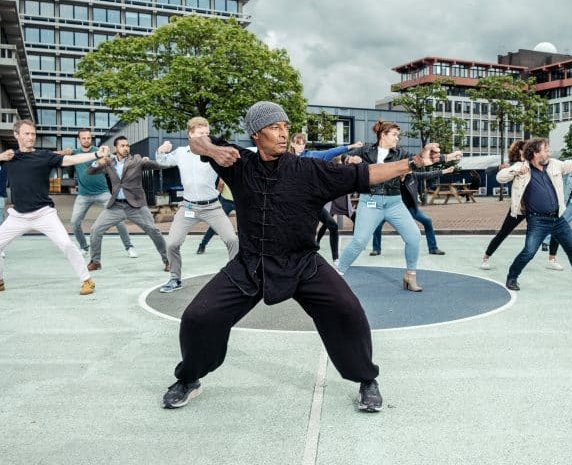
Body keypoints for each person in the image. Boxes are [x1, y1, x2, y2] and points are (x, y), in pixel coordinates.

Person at [161, 101, 441, 413]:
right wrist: (212, 150)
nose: (283, 133)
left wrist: (414, 162)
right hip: (250, 264)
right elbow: (196, 141)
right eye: (274, 128)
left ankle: (366, 379)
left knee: (348, 311)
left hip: (303, 263)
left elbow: (366, 173)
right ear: (255, 134)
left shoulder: (309, 170)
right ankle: (188, 379)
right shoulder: (237, 163)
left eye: (285, 127)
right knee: (198, 317)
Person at [336, 120, 458, 292]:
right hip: (370, 201)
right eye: (394, 134)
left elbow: (420, 160)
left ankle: (410, 276)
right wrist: (349, 158)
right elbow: (339, 159)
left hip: (394, 203)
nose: (397, 138)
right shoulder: (365, 151)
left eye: (398, 135)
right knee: (360, 241)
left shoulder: (400, 153)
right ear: (383, 134)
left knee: (414, 236)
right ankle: (338, 275)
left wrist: (447, 158)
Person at [0, 119, 107, 295]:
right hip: (18, 216)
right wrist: (1, 157)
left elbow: (71, 159)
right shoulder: (10, 157)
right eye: (26, 133)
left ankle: (87, 280)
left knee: (66, 244)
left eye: (33, 134)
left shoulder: (44, 156)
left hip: (43, 214)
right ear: (16, 135)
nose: (31, 137)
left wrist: (95, 155)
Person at [500, 138, 572, 291]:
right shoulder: (522, 167)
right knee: (529, 252)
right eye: (546, 150)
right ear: (536, 153)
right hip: (537, 220)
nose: (549, 152)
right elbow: (501, 177)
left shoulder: (555, 165)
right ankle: (512, 278)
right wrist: (516, 170)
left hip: (558, 219)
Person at [155, 117, 239, 293]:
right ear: (191, 135)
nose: (206, 137)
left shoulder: (213, 154)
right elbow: (162, 162)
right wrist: (161, 150)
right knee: (172, 244)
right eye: (201, 134)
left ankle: (236, 277)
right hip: (188, 207)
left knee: (232, 240)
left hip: (213, 207)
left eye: (207, 134)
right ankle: (175, 279)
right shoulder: (181, 153)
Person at [86, 136, 170, 272]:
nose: (126, 148)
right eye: (122, 146)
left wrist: (162, 153)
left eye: (127, 145)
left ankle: (168, 260)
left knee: (153, 231)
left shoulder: (136, 160)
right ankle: (95, 261)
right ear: (115, 148)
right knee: (96, 229)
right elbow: (89, 171)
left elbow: (158, 165)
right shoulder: (109, 162)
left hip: (136, 206)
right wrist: (98, 162)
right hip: (116, 206)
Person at [289, 132, 363, 263]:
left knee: (333, 226)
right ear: (292, 143)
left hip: (311, 202)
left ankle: (335, 259)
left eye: (303, 143)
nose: (301, 146)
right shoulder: (286, 158)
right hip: (294, 203)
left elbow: (331, 152)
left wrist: (350, 146)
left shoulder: (311, 155)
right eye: (298, 143)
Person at [67, 129, 136, 258]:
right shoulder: (75, 154)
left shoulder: (99, 151)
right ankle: (84, 247)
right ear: (79, 139)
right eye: (84, 138)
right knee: (74, 222)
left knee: (119, 220)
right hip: (83, 195)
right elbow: (66, 160)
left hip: (103, 193)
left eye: (88, 138)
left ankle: (129, 247)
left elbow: (112, 161)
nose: (86, 140)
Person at [370, 167, 455, 256]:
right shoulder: (391, 178)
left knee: (427, 221)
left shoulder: (413, 176)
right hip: (392, 208)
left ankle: (433, 248)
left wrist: (444, 171)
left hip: (410, 208)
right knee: (377, 224)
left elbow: (428, 174)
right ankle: (376, 249)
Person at [480, 140, 527, 270]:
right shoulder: (513, 165)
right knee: (503, 232)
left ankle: (551, 258)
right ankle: (486, 257)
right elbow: (488, 171)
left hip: (534, 206)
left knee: (546, 231)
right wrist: (500, 168)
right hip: (519, 207)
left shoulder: (534, 164)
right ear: (520, 151)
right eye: (526, 148)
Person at [196, 179, 235, 255]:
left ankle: (202, 245)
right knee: (216, 224)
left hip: (238, 200)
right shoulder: (226, 168)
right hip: (226, 201)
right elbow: (220, 185)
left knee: (244, 225)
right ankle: (203, 244)